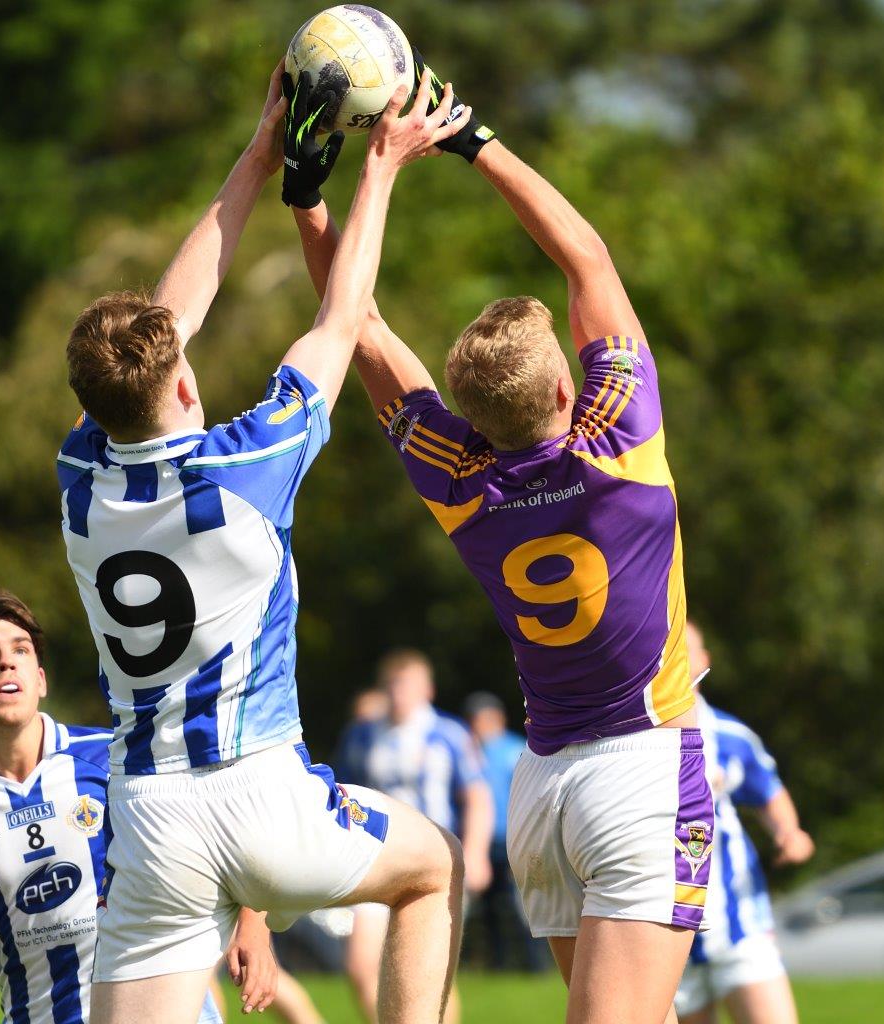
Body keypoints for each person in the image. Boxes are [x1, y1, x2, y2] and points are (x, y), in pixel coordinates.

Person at [289, 48, 713, 1024]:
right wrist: (470, 139)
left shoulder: (457, 478)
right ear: (565, 388)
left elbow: (354, 322)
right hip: (641, 771)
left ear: (473, 415)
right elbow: (587, 261)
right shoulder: (618, 450)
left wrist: (308, 194)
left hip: (540, 793)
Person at [56, 64, 473, 1024]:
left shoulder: (80, 476)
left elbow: (165, 326)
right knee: (429, 872)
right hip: (262, 796)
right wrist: (379, 170)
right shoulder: (251, 462)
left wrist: (254, 157)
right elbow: (341, 317)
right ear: (188, 386)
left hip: (149, 815)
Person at [0, 585, 275, 1024]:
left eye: (20, 650)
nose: (6, 661)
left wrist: (254, 925)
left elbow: (227, 826)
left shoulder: (118, 756)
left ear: (39, 679)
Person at [337, 650, 494, 1023]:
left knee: (429, 975)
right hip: (376, 861)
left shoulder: (449, 734)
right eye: (393, 685)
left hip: (433, 864)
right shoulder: (362, 734)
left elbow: (477, 796)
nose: (399, 694)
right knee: (361, 967)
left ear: (428, 689)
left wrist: (477, 852)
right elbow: (341, 792)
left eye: (407, 686)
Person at [675, 622, 814, 1024]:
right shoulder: (633, 739)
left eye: (686, 651)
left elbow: (770, 794)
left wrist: (789, 833)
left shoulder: (731, 736)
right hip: (667, 929)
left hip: (740, 922)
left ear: (704, 661)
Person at [464, 691, 542, 970]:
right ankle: (497, 964)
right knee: (488, 907)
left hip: (512, 836)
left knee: (519, 903)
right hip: (483, 841)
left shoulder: (514, 748)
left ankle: (535, 965)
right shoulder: (469, 750)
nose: (476, 724)